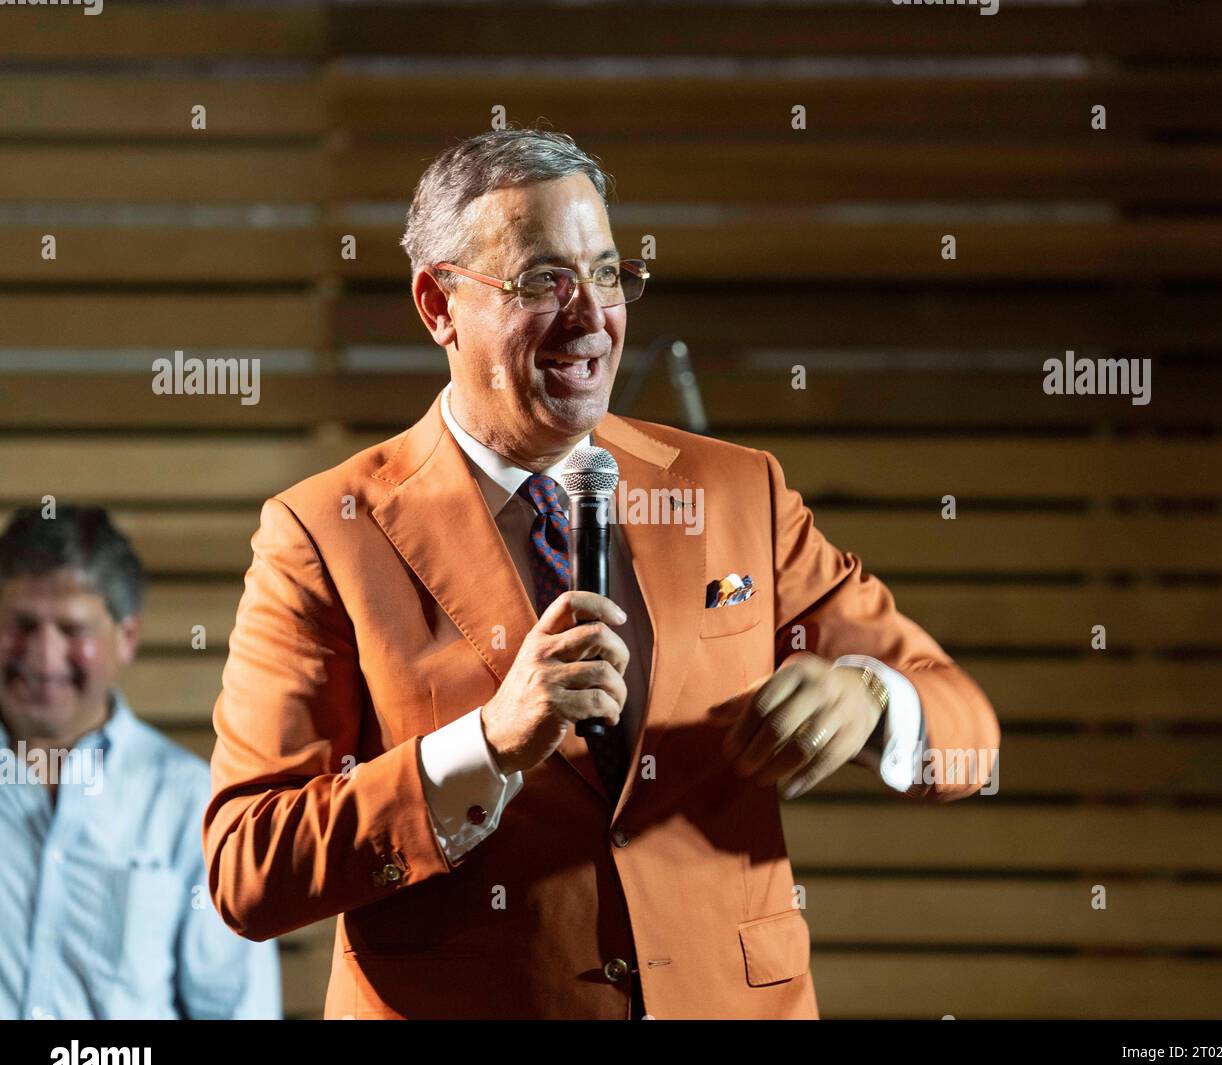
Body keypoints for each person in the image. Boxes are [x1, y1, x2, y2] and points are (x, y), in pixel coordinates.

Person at [205, 126, 999, 1019]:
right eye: (545, 280)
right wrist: (488, 744)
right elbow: (249, 868)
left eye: (611, 274)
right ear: (439, 306)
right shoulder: (323, 533)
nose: (591, 317)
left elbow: (969, 735)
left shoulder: (738, 489)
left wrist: (875, 698)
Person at [0, 506, 281, 1019]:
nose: (42, 656)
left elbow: (236, 1011)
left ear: (126, 638)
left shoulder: (193, 804)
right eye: (21, 624)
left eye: (70, 628)